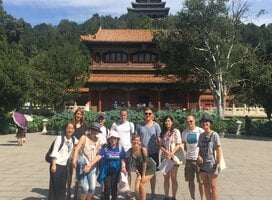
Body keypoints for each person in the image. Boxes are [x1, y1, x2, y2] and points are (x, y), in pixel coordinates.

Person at [86, 130, 127, 200]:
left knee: (114, 187)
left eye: (115, 138)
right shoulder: (105, 148)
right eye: (111, 138)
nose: (113, 140)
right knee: (107, 187)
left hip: (116, 172)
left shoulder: (120, 148)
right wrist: (90, 165)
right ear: (108, 139)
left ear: (117, 139)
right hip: (107, 171)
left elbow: (122, 159)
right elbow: (99, 156)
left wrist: (123, 166)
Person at [135, 107, 161, 200]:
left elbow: (159, 140)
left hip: (153, 153)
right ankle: (140, 193)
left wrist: (158, 153)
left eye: (149, 113)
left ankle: (153, 193)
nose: (148, 115)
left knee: (153, 174)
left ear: (152, 115)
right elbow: (136, 140)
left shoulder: (156, 126)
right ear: (143, 115)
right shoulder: (139, 126)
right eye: (146, 113)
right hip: (142, 154)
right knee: (141, 174)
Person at [48, 122, 78, 200]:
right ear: (65, 129)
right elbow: (54, 151)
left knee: (62, 187)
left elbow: (82, 143)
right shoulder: (59, 138)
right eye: (68, 128)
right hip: (56, 165)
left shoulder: (73, 139)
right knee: (54, 186)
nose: (70, 130)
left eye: (72, 129)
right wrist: (53, 164)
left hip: (64, 166)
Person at [72, 122, 101, 200]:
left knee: (92, 188)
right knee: (85, 188)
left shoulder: (98, 140)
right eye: (93, 129)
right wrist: (74, 160)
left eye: (96, 130)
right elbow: (77, 149)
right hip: (83, 166)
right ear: (90, 129)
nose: (94, 131)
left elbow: (98, 154)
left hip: (92, 167)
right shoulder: (84, 138)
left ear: (98, 131)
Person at [110, 108, 135, 199]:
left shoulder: (130, 125)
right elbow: (111, 137)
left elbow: (132, 137)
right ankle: (116, 189)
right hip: (117, 150)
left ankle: (128, 190)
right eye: (122, 115)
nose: (123, 117)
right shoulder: (115, 125)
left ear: (127, 115)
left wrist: (133, 149)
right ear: (119, 115)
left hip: (128, 149)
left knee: (127, 171)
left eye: (125, 115)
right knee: (116, 170)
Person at [197, 114, 222, 200]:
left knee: (214, 187)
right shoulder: (201, 136)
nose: (205, 123)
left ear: (210, 123)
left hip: (212, 164)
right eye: (203, 122)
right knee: (206, 186)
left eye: (207, 121)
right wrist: (199, 157)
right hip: (203, 165)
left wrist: (218, 163)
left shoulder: (215, 135)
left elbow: (219, 149)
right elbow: (199, 149)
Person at [182, 114, 204, 200]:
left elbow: (204, 145)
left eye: (191, 121)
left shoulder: (200, 131)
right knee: (190, 181)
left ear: (195, 121)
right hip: (189, 160)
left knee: (201, 182)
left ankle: (202, 198)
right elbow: (184, 146)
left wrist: (201, 156)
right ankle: (192, 198)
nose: (189, 123)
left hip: (198, 159)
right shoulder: (184, 132)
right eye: (187, 121)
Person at [68, 108, 88, 200]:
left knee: (78, 173)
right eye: (77, 114)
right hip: (70, 150)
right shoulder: (71, 124)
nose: (78, 116)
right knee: (70, 172)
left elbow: (85, 139)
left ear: (82, 116)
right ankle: (68, 190)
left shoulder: (84, 126)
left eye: (80, 114)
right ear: (75, 114)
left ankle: (76, 192)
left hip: (80, 151)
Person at [160, 116, 182, 200]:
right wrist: (166, 152)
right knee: (166, 178)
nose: (167, 122)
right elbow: (161, 146)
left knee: (173, 178)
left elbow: (178, 144)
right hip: (165, 157)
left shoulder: (176, 131)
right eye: (165, 121)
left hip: (174, 157)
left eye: (169, 121)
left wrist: (171, 153)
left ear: (172, 122)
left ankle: (173, 196)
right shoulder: (163, 132)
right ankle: (166, 196)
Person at [129, 135, 156, 200]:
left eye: (138, 140)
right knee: (136, 188)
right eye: (134, 140)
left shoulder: (143, 149)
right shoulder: (130, 150)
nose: (136, 142)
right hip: (140, 170)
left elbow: (145, 163)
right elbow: (132, 163)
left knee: (142, 184)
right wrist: (137, 172)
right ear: (131, 141)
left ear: (140, 142)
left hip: (149, 168)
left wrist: (143, 175)